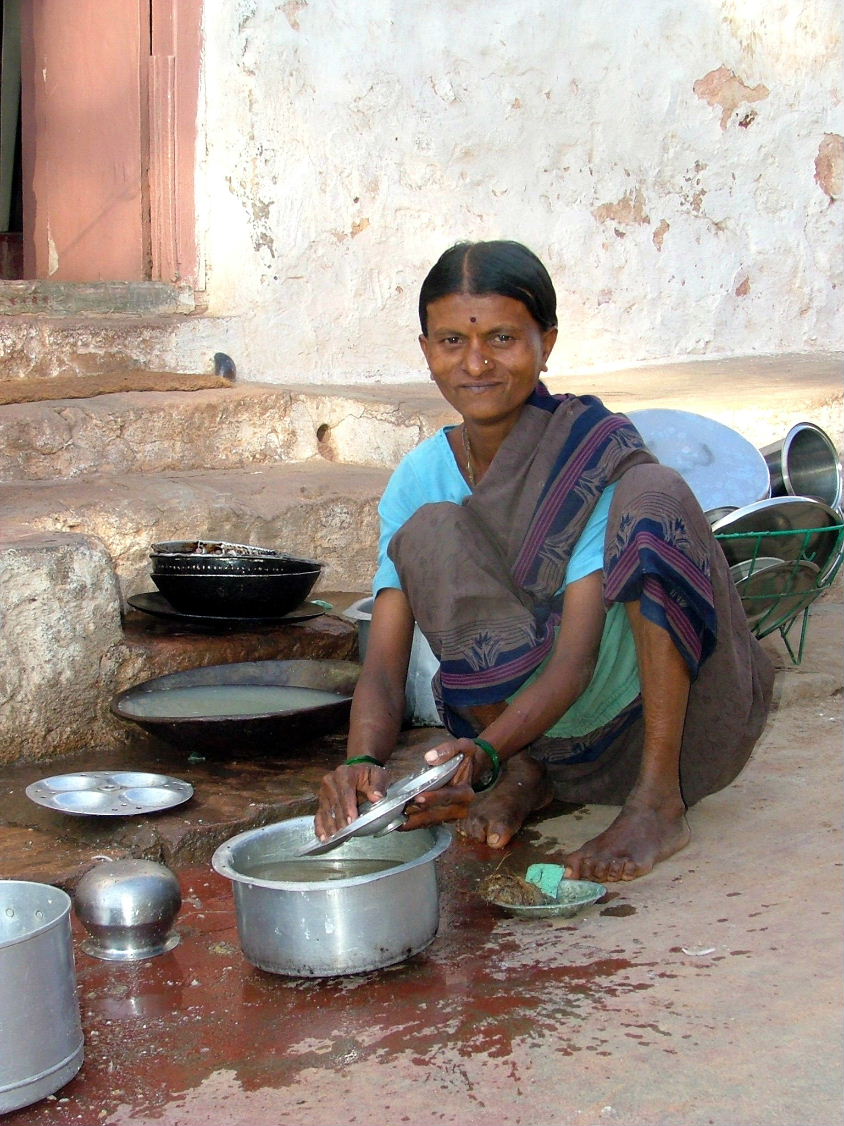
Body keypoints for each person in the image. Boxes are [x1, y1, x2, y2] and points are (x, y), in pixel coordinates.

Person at [315, 240, 774, 882]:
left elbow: (575, 663)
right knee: (431, 533)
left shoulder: (585, 456)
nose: (476, 363)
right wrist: (360, 759)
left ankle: (656, 802)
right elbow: (385, 667)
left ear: (546, 343)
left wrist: (481, 755)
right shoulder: (420, 477)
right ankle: (531, 774)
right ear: (426, 351)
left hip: (636, 722)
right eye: (451, 342)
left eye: (502, 338)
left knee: (656, 495)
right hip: (515, 740)